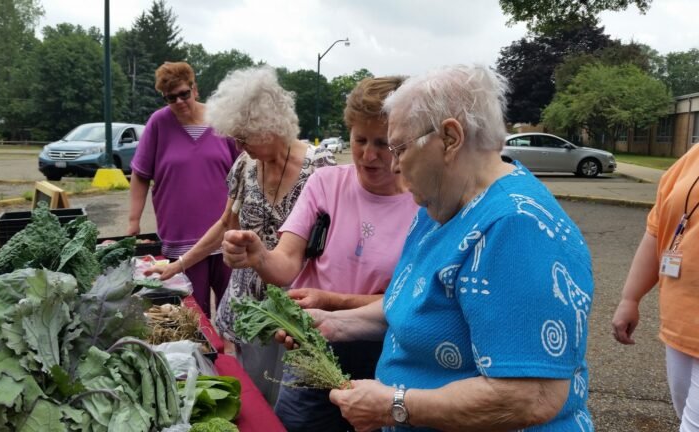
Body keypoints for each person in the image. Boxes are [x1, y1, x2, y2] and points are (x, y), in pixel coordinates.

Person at [275, 65, 595, 431]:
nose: (394, 165)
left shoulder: (517, 227)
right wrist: (334, 324)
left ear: (450, 138)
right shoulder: (440, 205)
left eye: (399, 148)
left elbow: (530, 396)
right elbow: (414, 304)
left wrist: (395, 406)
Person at [222, 76, 418, 431]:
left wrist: (332, 301)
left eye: (383, 143)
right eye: (359, 140)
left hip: (385, 352)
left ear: (405, 140)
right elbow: (286, 264)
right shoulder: (326, 183)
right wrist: (259, 256)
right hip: (314, 345)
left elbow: (409, 302)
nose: (368, 155)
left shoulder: (424, 203)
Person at [148, 65, 335, 404]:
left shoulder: (320, 166)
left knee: (296, 403)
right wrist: (178, 265)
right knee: (256, 397)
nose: (238, 145)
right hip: (250, 309)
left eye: (244, 137)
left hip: (298, 309)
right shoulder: (245, 166)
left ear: (271, 125)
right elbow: (225, 224)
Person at [127, 61, 239, 317]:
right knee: (193, 318)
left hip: (225, 236)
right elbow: (140, 174)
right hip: (180, 240)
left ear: (194, 89)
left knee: (234, 314)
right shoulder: (159, 123)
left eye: (183, 94)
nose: (179, 101)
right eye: (170, 98)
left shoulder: (221, 121)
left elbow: (244, 171)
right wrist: (133, 221)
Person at [612, 144, 699, 430]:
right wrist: (630, 297)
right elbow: (658, 229)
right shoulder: (693, 158)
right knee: (684, 415)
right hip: (681, 325)